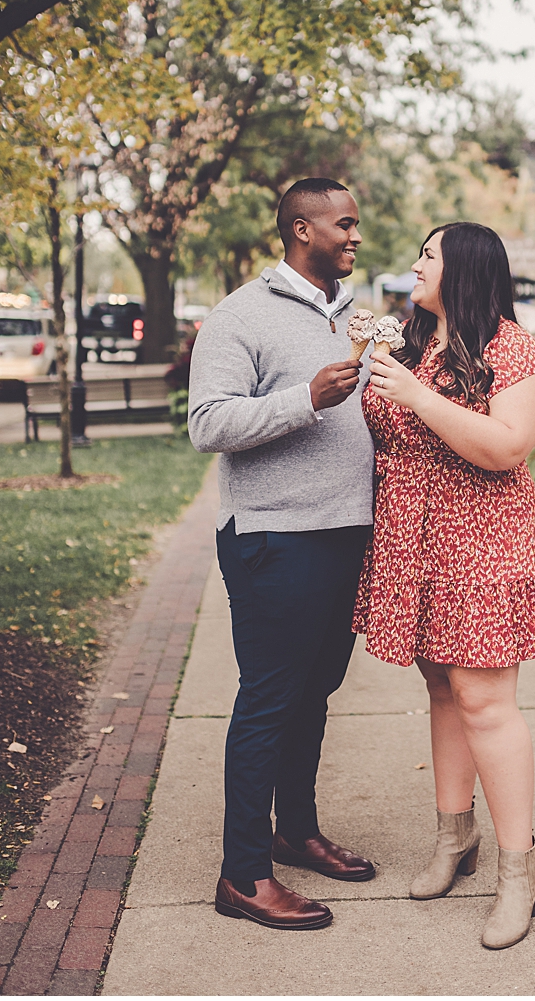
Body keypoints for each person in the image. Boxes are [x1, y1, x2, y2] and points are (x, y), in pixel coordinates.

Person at [353, 221, 535, 950]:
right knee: (441, 689)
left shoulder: (514, 349)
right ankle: (453, 837)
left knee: (486, 702)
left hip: (480, 542)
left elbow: (506, 447)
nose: (414, 263)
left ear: (465, 268)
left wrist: (416, 396)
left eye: (428, 255)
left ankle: (519, 870)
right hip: (414, 538)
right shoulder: (414, 341)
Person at [188, 177, 376, 930]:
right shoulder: (240, 315)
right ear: (302, 230)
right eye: (344, 224)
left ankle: (295, 829)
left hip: (345, 535)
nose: (356, 236)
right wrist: (305, 398)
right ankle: (243, 874)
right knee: (267, 700)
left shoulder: (353, 317)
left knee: (315, 690)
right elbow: (208, 422)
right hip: (274, 537)